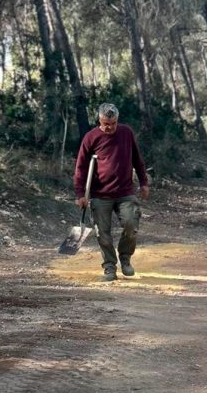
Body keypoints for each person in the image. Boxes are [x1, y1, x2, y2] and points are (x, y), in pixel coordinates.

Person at [75, 103, 150, 281]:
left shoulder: (126, 133)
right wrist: (80, 194)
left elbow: (137, 160)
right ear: (99, 120)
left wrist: (144, 182)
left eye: (113, 123)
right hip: (100, 194)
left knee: (131, 224)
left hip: (125, 191)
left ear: (117, 120)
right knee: (103, 233)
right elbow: (81, 167)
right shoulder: (91, 137)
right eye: (106, 123)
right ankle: (109, 266)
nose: (110, 127)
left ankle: (125, 258)